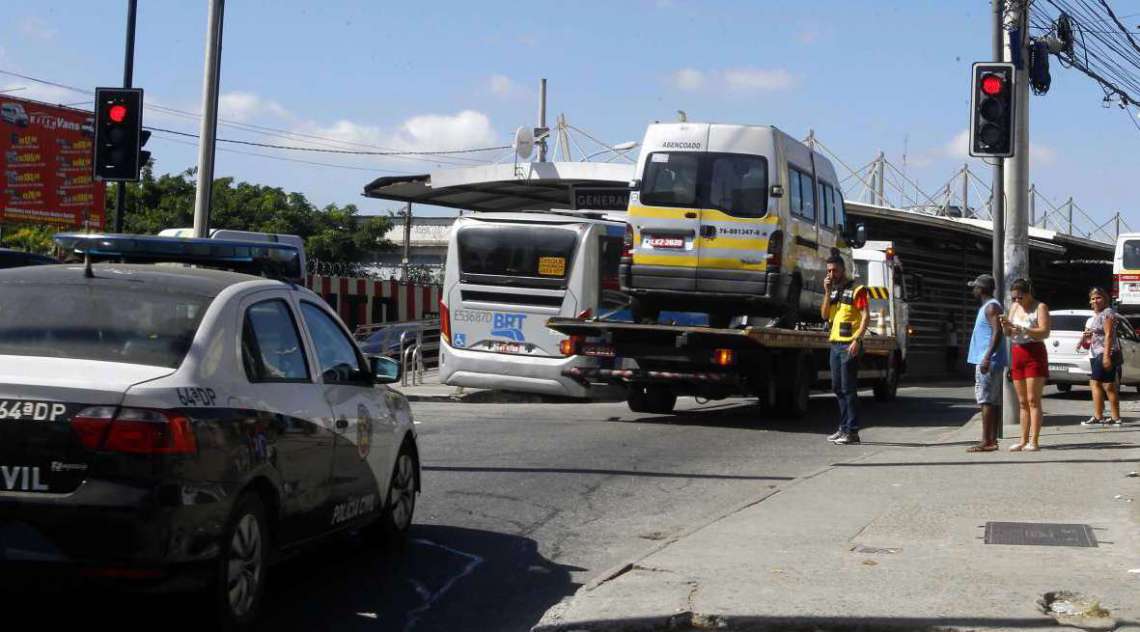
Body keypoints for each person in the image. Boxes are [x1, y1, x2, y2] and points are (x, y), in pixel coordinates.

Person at [821, 254, 869, 445]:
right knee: (837, 388)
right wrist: (826, 291)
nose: (832, 274)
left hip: (849, 344)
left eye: (835, 270)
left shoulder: (857, 289)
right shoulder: (832, 291)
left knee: (848, 389)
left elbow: (866, 317)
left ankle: (853, 432)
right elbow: (824, 315)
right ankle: (843, 428)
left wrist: (857, 339)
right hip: (835, 344)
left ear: (843, 269)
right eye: (829, 271)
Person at [999, 278, 1051, 451]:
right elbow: (1008, 333)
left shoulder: (1040, 307)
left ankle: (1034, 441)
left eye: (1020, 297)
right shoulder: (1014, 308)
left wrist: (1025, 329)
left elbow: (1044, 332)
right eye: (1014, 298)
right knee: (1022, 401)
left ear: (1028, 294)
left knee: (1033, 400)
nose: (1016, 301)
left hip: (1034, 352)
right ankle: (1022, 440)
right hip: (1017, 352)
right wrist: (1006, 326)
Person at [965, 274, 1006, 452]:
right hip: (988, 359)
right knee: (992, 401)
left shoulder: (991, 307)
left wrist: (987, 356)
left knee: (986, 401)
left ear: (981, 289)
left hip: (987, 360)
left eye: (975, 287)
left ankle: (987, 440)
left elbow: (997, 333)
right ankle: (992, 439)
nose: (973, 290)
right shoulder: (989, 307)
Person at [1080, 287, 1124, 426]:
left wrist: (1106, 356)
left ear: (1105, 299)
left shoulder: (1107, 313)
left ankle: (1099, 416)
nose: (1095, 301)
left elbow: (1109, 334)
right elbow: (1097, 336)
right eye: (1093, 298)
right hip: (1099, 353)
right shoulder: (1098, 315)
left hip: (1104, 353)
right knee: (1108, 385)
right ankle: (1115, 418)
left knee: (1095, 383)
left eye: (1098, 297)